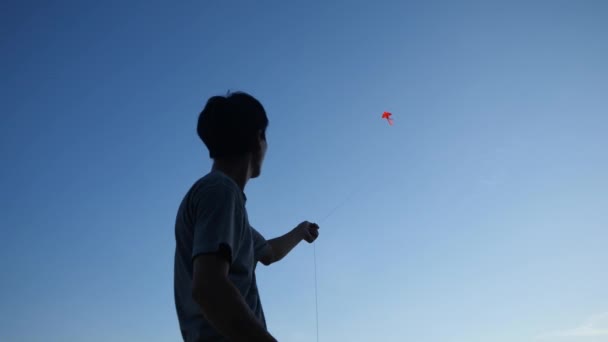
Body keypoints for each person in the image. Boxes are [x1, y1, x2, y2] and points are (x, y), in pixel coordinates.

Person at [174, 91, 320, 341]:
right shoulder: (220, 192)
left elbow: (269, 253)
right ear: (258, 138)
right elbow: (209, 288)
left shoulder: (226, 206)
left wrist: (300, 231)